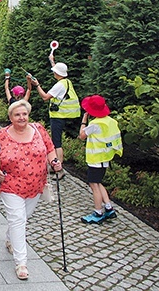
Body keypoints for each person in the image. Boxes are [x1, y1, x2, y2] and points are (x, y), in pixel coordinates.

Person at [0, 100, 62, 280]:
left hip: (36, 185)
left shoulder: (39, 130)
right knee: (18, 219)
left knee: (22, 217)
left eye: (24, 114)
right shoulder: (1, 135)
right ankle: (21, 262)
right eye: (17, 115)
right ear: (10, 117)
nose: (21, 117)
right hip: (10, 185)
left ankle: (10, 238)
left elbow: (50, 149)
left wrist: (54, 161)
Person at [31, 61, 80, 180]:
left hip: (58, 116)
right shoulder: (66, 81)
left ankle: (59, 169)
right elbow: (57, 70)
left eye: (54, 71)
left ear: (57, 73)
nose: (53, 73)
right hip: (64, 115)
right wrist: (51, 60)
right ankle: (55, 166)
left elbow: (45, 97)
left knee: (56, 142)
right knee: (56, 141)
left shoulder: (59, 85)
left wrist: (37, 85)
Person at [78, 95, 122, 224]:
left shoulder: (95, 124)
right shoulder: (110, 121)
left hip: (96, 159)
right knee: (98, 182)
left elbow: (81, 136)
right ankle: (108, 207)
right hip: (105, 157)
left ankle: (98, 212)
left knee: (94, 185)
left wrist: (84, 120)